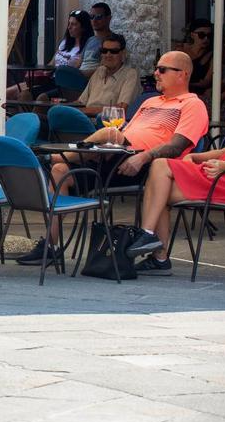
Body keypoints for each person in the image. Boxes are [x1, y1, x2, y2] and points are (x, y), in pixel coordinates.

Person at [23, 50, 208, 266]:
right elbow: (129, 131)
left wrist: (143, 156)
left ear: (182, 74)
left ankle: (55, 156)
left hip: (147, 164)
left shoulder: (192, 105)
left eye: (162, 69)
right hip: (115, 157)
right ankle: (50, 246)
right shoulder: (149, 103)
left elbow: (178, 146)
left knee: (108, 133)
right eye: (156, 69)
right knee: (61, 171)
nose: (156, 73)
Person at [126, 85, 225, 275]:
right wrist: (198, 157)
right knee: (160, 190)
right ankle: (156, 252)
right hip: (219, 173)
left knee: (161, 167)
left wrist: (223, 166)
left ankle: (150, 240)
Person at [74, 33, 140, 115]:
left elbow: (121, 110)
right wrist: (62, 106)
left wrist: (85, 111)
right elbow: (81, 102)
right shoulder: (99, 71)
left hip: (106, 123)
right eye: (104, 51)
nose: (108, 55)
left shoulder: (130, 74)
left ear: (123, 53)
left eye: (114, 51)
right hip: (85, 118)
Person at [184, 18, 215, 97]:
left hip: (198, 94)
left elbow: (206, 82)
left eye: (209, 35)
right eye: (201, 35)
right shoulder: (182, 51)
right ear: (192, 35)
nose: (206, 39)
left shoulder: (212, 56)